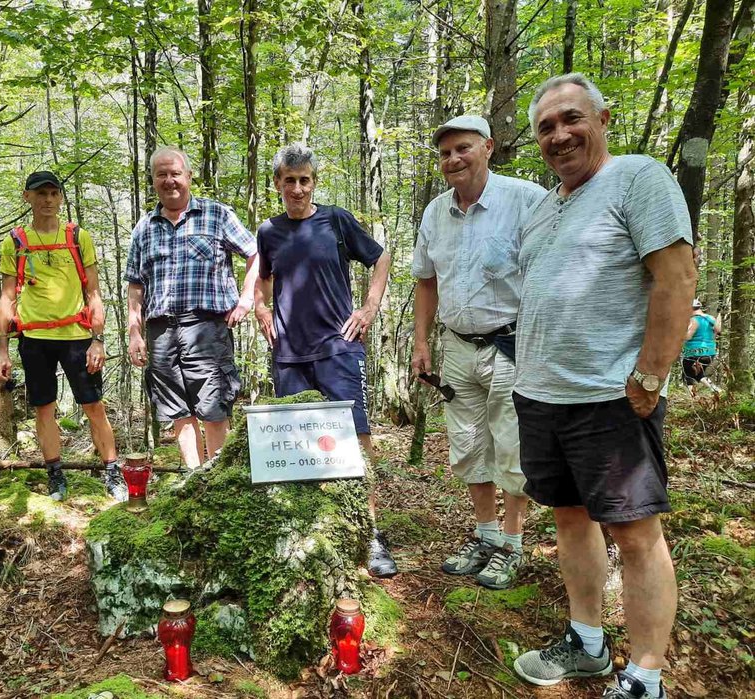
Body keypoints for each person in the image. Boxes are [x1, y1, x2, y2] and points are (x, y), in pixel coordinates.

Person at [511, 73, 696, 699]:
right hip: (541, 396)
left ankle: (645, 676)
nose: (560, 135)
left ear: (602, 118)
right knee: (569, 517)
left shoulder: (639, 178)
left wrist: (651, 374)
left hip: (609, 399)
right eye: (546, 127)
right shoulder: (544, 207)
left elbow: (676, 277)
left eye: (572, 119)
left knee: (637, 533)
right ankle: (586, 641)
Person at [411, 115, 546, 590]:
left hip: (512, 344)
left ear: (488, 147)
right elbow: (426, 281)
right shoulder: (434, 213)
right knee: (468, 445)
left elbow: (550, 272)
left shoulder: (527, 200)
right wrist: (422, 340)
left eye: (463, 149)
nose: (454, 160)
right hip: (457, 347)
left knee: (511, 445)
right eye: (446, 153)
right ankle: (485, 534)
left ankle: (512, 542)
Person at [253, 142, 397, 578]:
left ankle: (370, 533)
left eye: (305, 180)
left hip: (338, 346)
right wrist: (261, 308)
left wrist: (369, 307)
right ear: (277, 184)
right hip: (289, 356)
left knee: (356, 439)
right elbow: (262, 281)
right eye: (289, 181)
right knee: (297, 446)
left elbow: (381, 257)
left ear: (313, 182)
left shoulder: (335, 220)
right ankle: (309, 531)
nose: (297, 188)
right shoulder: (269, 231)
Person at [0, 171, 126, 503]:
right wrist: (2, 350)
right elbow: (7, 298)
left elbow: (93, 292)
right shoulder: (15, 242)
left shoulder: (78, 237)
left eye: (54, 193)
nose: (48, 200)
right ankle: (55, 474)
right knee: (44, 408)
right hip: (34, 338)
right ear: (27, 197)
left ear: (61, 197)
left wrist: (99, 339)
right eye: (41, 194)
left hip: (76, 336)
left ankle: (113, 473)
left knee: (94, 405)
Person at [126, 147, 259, 469]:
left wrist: (246, 299)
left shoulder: (217, 215)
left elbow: (257, 254)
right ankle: (193, 476)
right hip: (160, 330)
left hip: (208, 327)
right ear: (153, 180)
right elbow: (134, 285)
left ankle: (217, 479)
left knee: (213, 404)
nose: (169, 181)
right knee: (176, 409)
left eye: (175, 174)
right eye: (162, 174)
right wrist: (134, 333)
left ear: (188, 176)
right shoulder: (144, 227)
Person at [681, 298, 721, 396]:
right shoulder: (711, 318)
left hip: (694, 352)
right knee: (692, 374)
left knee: (691, 373)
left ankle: (715, 389)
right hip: (710, 352)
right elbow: (718, 330)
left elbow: (688, 336)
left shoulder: (693, 320)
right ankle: (693, 395)